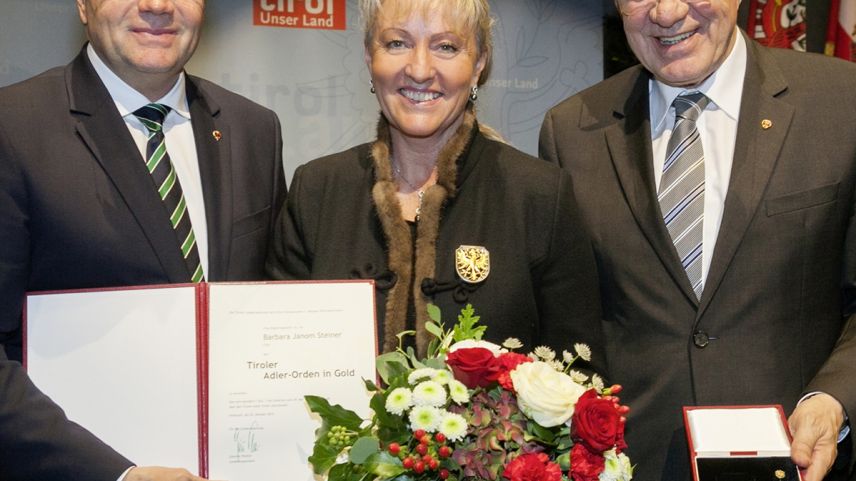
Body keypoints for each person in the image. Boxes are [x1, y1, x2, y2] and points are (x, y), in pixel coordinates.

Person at [539, 1, 856, 480]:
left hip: (801, 460)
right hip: (634, 465)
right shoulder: (572, 131)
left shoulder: (841, 103)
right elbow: (568, 327)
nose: (666, 13)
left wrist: (833, 399)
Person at [0, 0, 285, 478]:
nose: (157, 6)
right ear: (83, 6)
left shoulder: (252, 128)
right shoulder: (13, 127)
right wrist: (117, 475)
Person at [266, 0, 601, 355]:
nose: (420, 70)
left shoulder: (540, 195)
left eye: (446, 47)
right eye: (397, 43)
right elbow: (279, 362)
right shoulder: (316, 191)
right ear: (369, 57)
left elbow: (578, 373)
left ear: (479, 65)